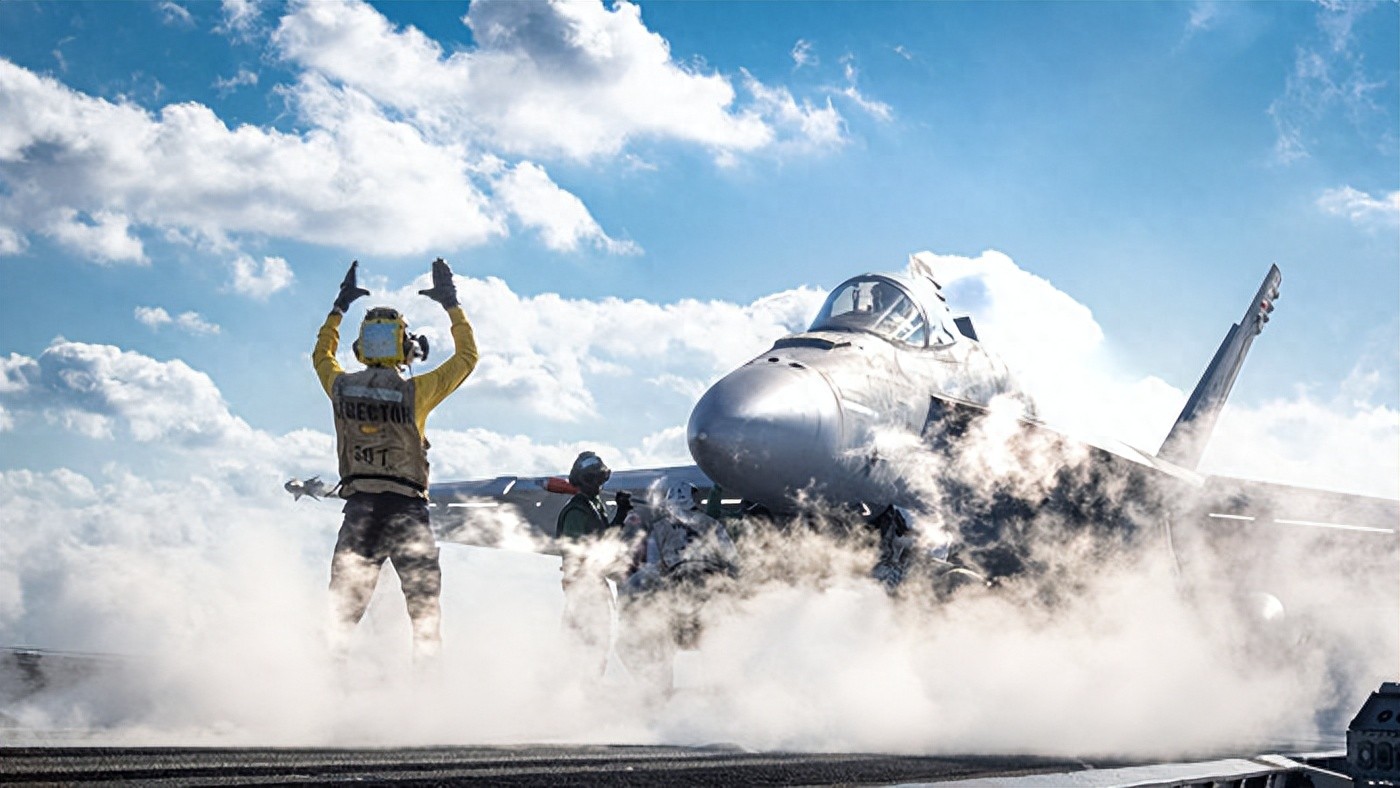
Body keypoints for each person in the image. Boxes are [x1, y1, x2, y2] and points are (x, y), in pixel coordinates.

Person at [312, 258, 478, 663]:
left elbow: (320, 354)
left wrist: (339, 307)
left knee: (342, 612)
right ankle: (426, 693)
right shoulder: (415, 392)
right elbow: (467, 357)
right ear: (406, 347)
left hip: (360, 511)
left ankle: (328, 691)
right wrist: (451, 304)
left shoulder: (341, 387)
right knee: (423, 613)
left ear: (360, 348)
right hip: (407, 509)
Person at [555, 451, 633, 677]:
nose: (598, 484)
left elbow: (604, 541)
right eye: (593, 479)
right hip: (583, 587)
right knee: (585, 643)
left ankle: (587, 690)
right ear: (583, 481)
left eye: (600, 479)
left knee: (599, 642)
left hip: (594, 586)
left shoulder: (592, 506)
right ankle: (577, 693)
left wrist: (621, 513)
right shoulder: (577, 512)